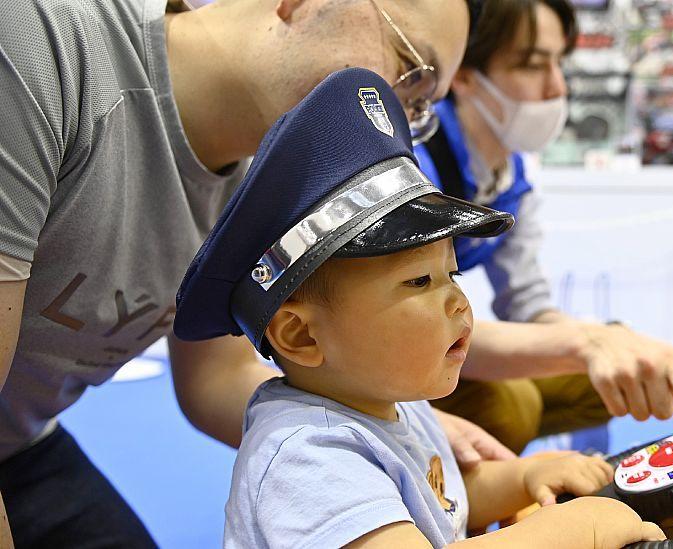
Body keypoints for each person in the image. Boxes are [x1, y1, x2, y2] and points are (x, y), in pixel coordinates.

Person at [0, 0, 490, 545]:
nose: (398, 120)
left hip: (21, 444)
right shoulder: (38, 46)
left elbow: (217, 376)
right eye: (409, 70)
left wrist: (386, 432)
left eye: (421, 108)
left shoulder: (273, 189)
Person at [174, 67, 665, 549]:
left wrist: (523, 475)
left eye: (451, 273)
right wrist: (581, 530)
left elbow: (440, 501)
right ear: (302, 336)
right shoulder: (307, 454)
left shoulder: (393, 402)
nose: (457, 299)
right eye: (419, 280)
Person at [415, 0, 673, 452]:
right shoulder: (415, 163)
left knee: (605, 380)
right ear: (464, 74)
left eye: (558, 62)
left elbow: (527, 302)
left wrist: (607, 343)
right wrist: (583, 341)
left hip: (436, 340)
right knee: (511, 406)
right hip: (392, 357)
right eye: (532, 64)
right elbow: (418, 330)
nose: (555, 87)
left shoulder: (512, 176)